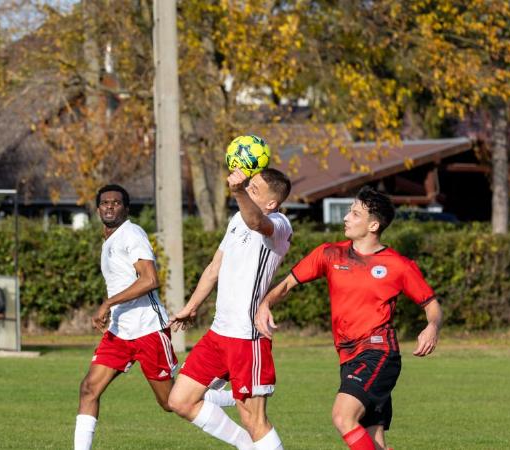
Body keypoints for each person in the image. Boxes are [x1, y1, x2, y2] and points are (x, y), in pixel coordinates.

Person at [255, 186, 443, 450]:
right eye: (349, 212)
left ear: (374, 225)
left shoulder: (398, 265)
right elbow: (287, 284)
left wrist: (432, 327)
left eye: (355, 214)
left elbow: (431, 305)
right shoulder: (330, 253)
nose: (346, 218)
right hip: (348, 357)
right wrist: (265, 304)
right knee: (372, 441)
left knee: (343, 417)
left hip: (378, 352)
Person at [74, 184, 234, 450]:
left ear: (126, 208)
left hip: (148, 330)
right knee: (89, 389)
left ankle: (230, 398)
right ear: (97, 208)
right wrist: (112, 310)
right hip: (119, 333)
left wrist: (108, 303)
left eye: (116, 202)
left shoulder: (131, 233)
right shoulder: (109, 240)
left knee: (170, 402)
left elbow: (149, 280)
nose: (110, 206)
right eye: (104, 202)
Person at [167, 167, 293, 450]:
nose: (248, 189)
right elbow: (214, 267)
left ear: (272, 203)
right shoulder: (237, 218)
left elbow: (256, 220)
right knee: (179, 400)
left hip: (247, 338)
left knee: (254, 420)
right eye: (249, 186)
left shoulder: (280, 224)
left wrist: (237, 192)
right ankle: (245, 446)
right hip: (218, 334)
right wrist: (191, 307)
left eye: (255, 189)